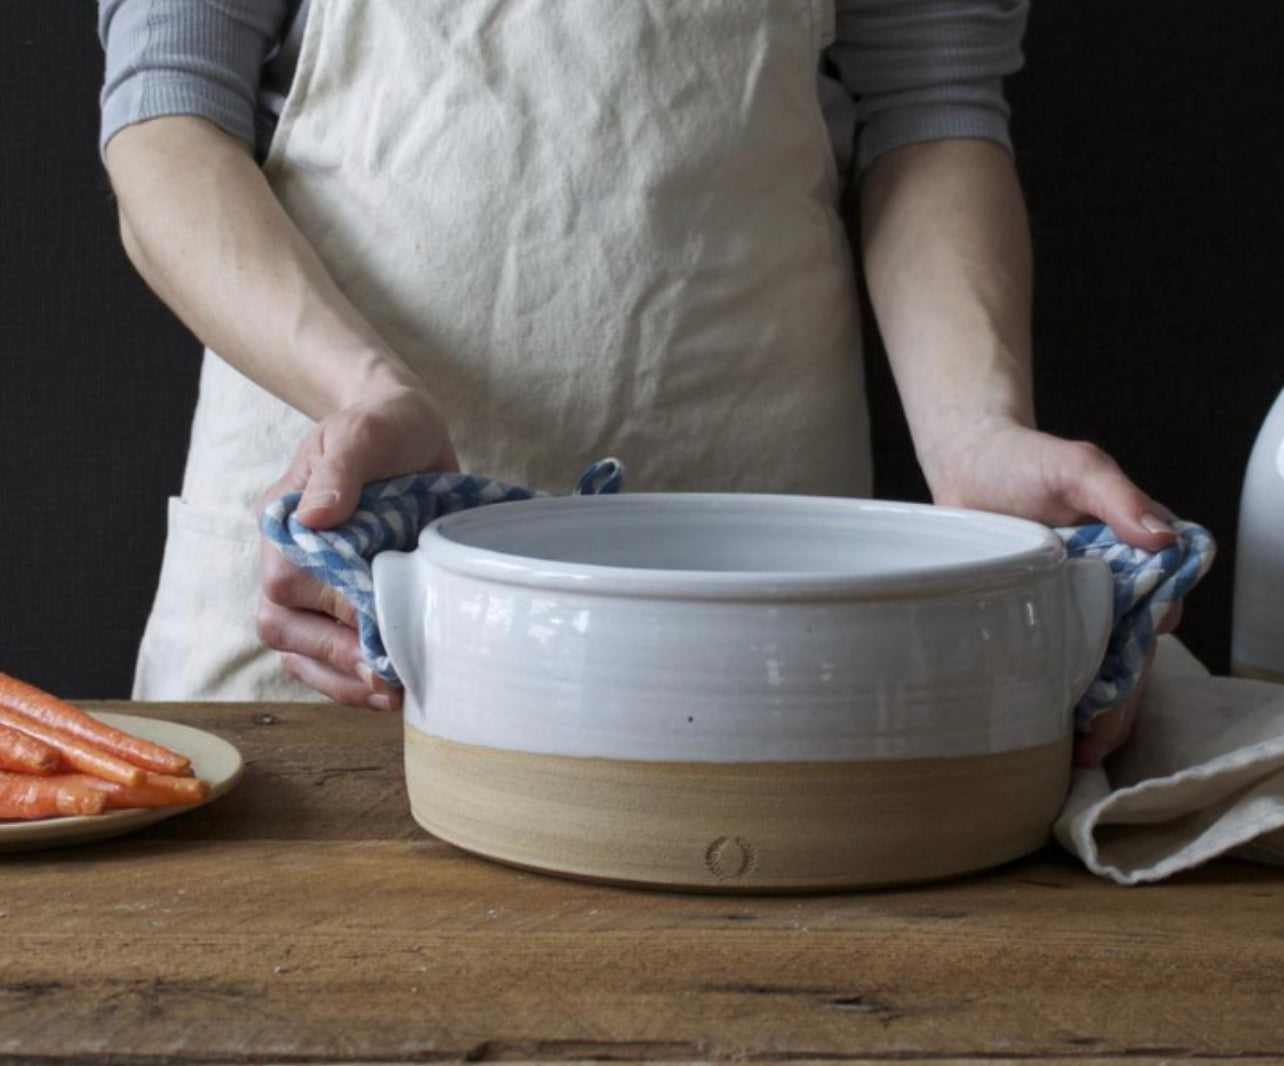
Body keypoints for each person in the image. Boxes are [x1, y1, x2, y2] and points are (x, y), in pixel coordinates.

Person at [98, 0, 1178, 765]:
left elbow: (931, 110)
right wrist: (362, 390)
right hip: (346, 532)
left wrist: (975, 429)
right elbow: (166, 115)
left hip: (753, 558)